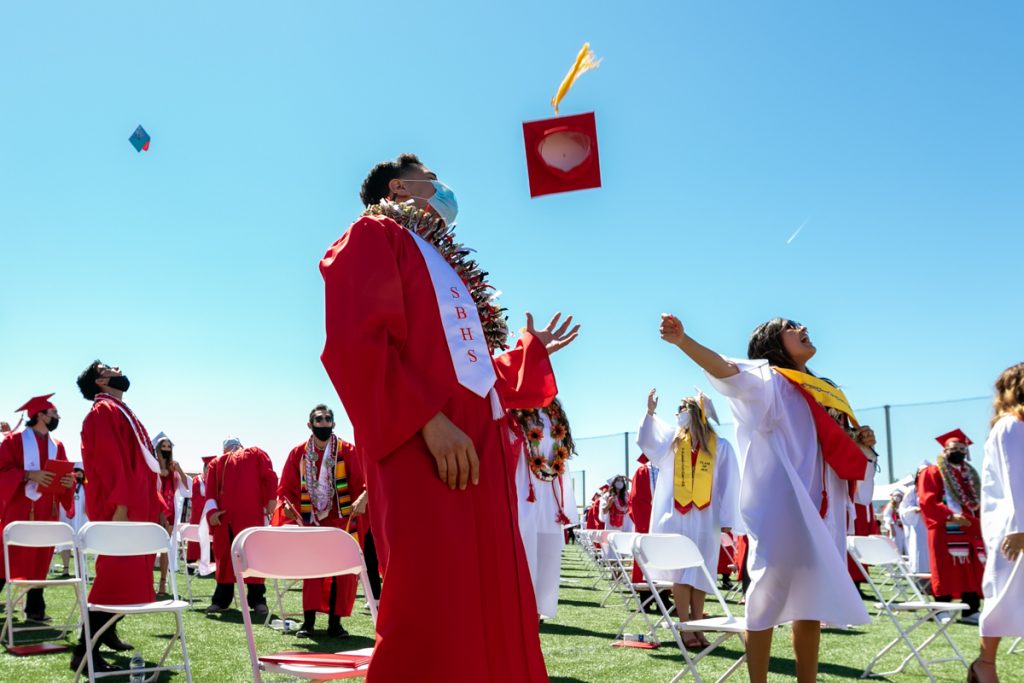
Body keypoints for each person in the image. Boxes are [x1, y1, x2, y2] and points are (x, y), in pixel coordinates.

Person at [320, 153, 579, 681]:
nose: (441, 188)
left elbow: (471, 375)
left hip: (479, 455)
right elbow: (357, 343)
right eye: (431, 180)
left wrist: (529, 351)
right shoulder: (374, 235)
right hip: (424, 449)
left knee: (487, 600)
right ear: (399, 186)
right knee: (432, 603)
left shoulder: (441, 261)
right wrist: (428, 422)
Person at [658, 314, 871, 683]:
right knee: (766, 600)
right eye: (791, 327)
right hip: (784, 509)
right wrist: (684, 341)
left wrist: (861, 443)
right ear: (772, 344)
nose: (803, 328)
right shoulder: (770, 382)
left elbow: (837, 449)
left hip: (823, 509)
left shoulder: (822, 389)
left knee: (812, 603)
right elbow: (725, 368)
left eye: (801, 324)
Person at [73, 361, 166, 673]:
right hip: (122, 509)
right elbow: (111, 463)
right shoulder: (102, 412)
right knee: (115, 578)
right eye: (108, 367)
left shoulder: (119, 410)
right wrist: (121, 506)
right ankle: (83, 653)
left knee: (133, 578)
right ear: (101, 381)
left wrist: (155, 504)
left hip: (137, 506)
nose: (117, 368)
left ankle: (108, 630)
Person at [637, 389, 740, 647]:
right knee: (681, 571)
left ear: (695, 414)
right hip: (676, 517)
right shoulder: (671, 444)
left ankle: (699, 627)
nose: (678, 415)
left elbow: (730, 484)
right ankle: (685, 628)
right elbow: (647, 442)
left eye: (682, 410)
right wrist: (650, 413)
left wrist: (727, 517)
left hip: (707, 518)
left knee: (701, 572)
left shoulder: (721, 447)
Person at [275, 404, 365, 638]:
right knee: (312, 571)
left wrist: (363, 497)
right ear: (310, 424)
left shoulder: (348, 450)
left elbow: (362, 481)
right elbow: (286, 487)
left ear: (333, 424)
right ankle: (308, 623)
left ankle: (335, 625)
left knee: (341, 572)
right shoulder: (299, 453)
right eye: (318, 419)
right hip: (311, 520)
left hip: (341, 521)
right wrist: (287, 505)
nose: (323, 423)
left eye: (327, 419)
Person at [0, 394, 75, 622]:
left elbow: (64, 473)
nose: (57, 417)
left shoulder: (57, 445)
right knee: (8, 555)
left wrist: (68, 481)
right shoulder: (12, 441)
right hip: (20, 508)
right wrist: (28, 474)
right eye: (54, 413)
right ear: (40, 415)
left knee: (40, 556)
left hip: (46, 511)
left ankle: (35, 608)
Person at [972, 363, 1024, 683]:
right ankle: (985, 665)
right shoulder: (1011, 425)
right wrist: (1020, 527)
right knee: (1004, 599)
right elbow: (1015, 479)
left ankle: (983, 665)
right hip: (1016, 528)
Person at [511, 397, 579, 620]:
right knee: (522, 553)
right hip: (522, 490)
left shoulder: (553, 411)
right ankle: (520, 613)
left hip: (548, 496)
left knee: (546, 561)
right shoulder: (513, 405)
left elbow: (561, 455)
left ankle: (536, 617)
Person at [203, 438, 277, 615]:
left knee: (253, 558)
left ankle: (257, 600)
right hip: (225, 518)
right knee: (225, 559)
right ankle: (221, 600)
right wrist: (212, 512)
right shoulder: (216, 463)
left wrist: (271, 499)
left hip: (252, 517)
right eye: (229, 447)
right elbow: (210, 490)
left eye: (235, 446)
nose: (232, 449)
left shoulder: (255, 455)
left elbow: (269, 476)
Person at [918, 429, 985, 623]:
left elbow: (978, 499)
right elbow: (927, 499)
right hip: (945, 527)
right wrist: (950, 516)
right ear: (945, 450)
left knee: (971, 568)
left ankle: (971, 610)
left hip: (969, 527)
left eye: (962, 449)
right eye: (954, 448)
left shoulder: (971, 474)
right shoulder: (932, 471)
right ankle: (941, 609)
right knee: (944, 567)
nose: (959, 452)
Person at [152, 433, 190, 595]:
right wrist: (160, 461)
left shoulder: (174, 466)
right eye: (163, 447)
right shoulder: (152, 465)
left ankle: (162, 583)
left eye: (168, 446)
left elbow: (187, 488)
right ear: (157, 449)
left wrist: (179, 469)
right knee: (150, 547)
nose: (166, 449)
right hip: (153, 510)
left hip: (169, 511)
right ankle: (147, 581)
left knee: (165, 547)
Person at [186, 455, 217, 571]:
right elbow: (196, 497)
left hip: (209, 514)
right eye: (208, 468)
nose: (209, 470)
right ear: (204, 468)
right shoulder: (197, 480)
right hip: (198, 514)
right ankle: (192, 561)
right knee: (196, 538)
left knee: (210, 539)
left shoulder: (216, 481)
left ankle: (211, 563)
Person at [899, 465, 932, 574]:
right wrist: (914, 510)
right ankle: (921, 578)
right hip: (919, 525)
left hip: (932, 524)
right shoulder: (913, 490)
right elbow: (904, 508)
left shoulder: (935, 487)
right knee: (921, 550)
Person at [59, 465, 88, 576]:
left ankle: (81, 569)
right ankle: (65, 568)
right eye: (76, 471)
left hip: (80, 517)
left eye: (80, 472)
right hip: (65, 516)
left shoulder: (86, 486)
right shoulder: (65, 484)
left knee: (80, 542)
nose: (78, 474)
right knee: (64, 541)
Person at [882, 490, 907, 557]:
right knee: (897, 545)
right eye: (895, 495)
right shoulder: (890, 506)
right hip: (895, 527)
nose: (897, 497)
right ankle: (897, 561)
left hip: (904, 527)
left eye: (899, 495)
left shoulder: (903, 505)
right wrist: (892, 529)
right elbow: (887, 517)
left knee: (906, 545)